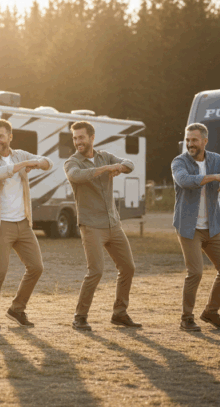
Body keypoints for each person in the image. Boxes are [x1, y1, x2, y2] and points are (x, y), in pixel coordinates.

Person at [64, 121, 141, 331]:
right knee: (95, 271)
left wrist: (120, 166)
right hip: (91, 225)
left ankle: (120, 313)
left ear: (92, 138)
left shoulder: (105, 155)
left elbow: (130, 163)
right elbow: (75, 176)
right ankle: (79, 317)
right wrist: (105, 169)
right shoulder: (72, 162)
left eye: (81, 137)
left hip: (113, 224)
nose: (78, 142)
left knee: (128, 268)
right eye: (75, 138)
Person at [0, 119, 53, 328]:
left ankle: (16, 309)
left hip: (23, 223)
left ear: (10, 137)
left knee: (36, 267)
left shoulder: (20, 154)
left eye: (1, 136)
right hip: (0, 225)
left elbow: (48, 162)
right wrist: (25, 165)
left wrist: (37, 162)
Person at [171, 122, 220, 331]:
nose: (190, 144)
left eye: (194, 140)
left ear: (205, 141)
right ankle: (186, 318)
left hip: (211, 227)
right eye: (187, 140)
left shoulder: (216, 159)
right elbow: (185, 181)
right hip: (188, 228)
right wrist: (215, 177)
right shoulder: (179, 161)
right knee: (195, 272)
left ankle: (211, 312)